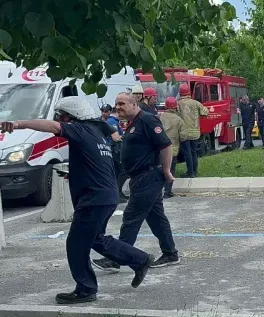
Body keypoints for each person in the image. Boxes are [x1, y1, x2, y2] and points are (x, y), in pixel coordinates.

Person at [0, 97, 153, 304]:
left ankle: (86, 289)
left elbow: (53, 127)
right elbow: (94, 164)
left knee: (76, 245)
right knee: (96, 239)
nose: (60, 121)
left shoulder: (79, 129)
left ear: (72, 116)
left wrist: (18, 124)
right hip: (106, 196)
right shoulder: (96, 133)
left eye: (62, 116)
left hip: (94, 199)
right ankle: (140, 259)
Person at [92, 93, 180, 272]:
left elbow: (166, 145)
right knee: (156, 218)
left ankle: (116, 259)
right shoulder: (133, 122)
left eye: (122, 103)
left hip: (148, 177)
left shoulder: (147, 120)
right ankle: (170, 253)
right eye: (116, 104)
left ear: (134, 104)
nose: (118, 107)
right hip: (141, 177)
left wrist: (166, 170)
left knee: (131, 218)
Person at [176, 83, 208, 178]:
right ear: (188, 92)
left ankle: (190, 172)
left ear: (180, 93)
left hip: (184, 133)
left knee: (187, 153)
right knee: (194, 152)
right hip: (195, 132)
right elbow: (205, 112)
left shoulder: (178, 104)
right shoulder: (196, 103)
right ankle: (195, 171)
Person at [160, 97, 184, 199]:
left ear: (166, 106)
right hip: (172, 150)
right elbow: (183, 136)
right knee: (171, 170)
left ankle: (158, 191)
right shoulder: (179, 120)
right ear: (175, 107)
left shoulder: (159, 117)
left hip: (159, 150)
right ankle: (167, 191)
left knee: (160, 170)